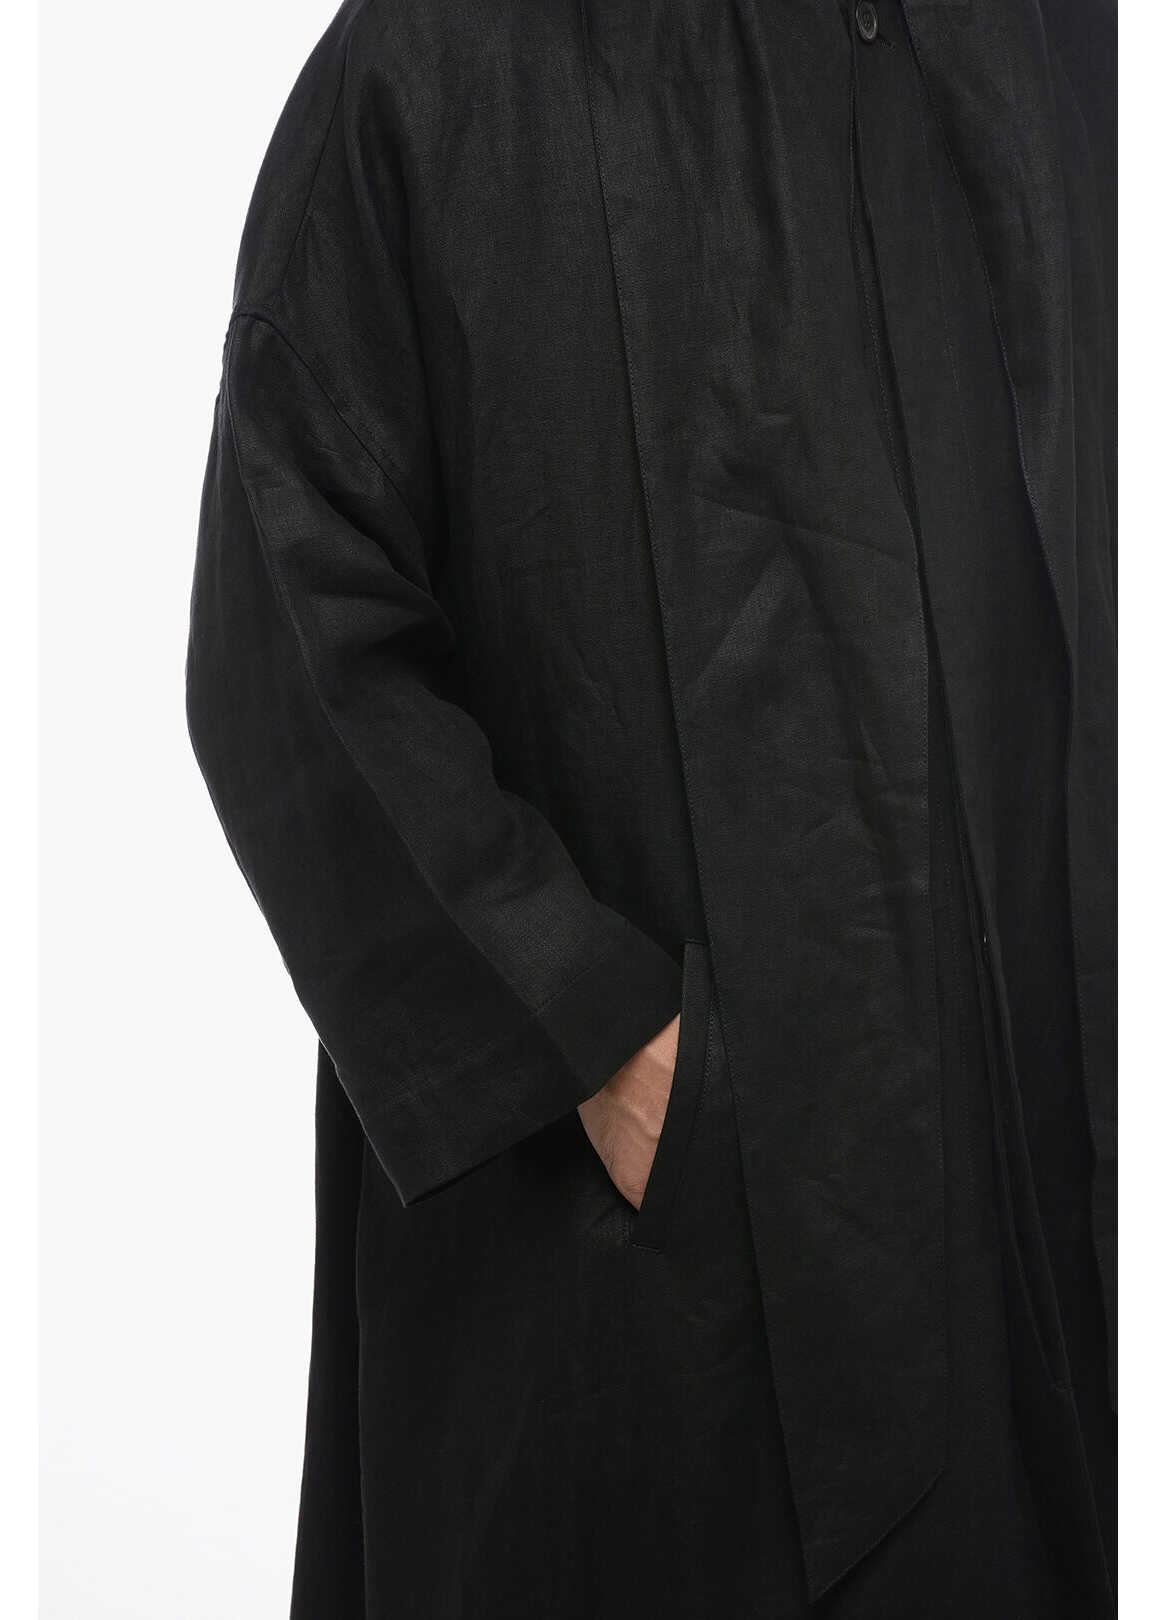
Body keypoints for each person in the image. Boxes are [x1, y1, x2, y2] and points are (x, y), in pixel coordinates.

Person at [186, 1, 1117, 1614]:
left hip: (1045, 1199)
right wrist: (593, 1041)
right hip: (650, 1272)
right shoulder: (439, 61)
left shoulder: (1070, 46)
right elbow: (285, 623)